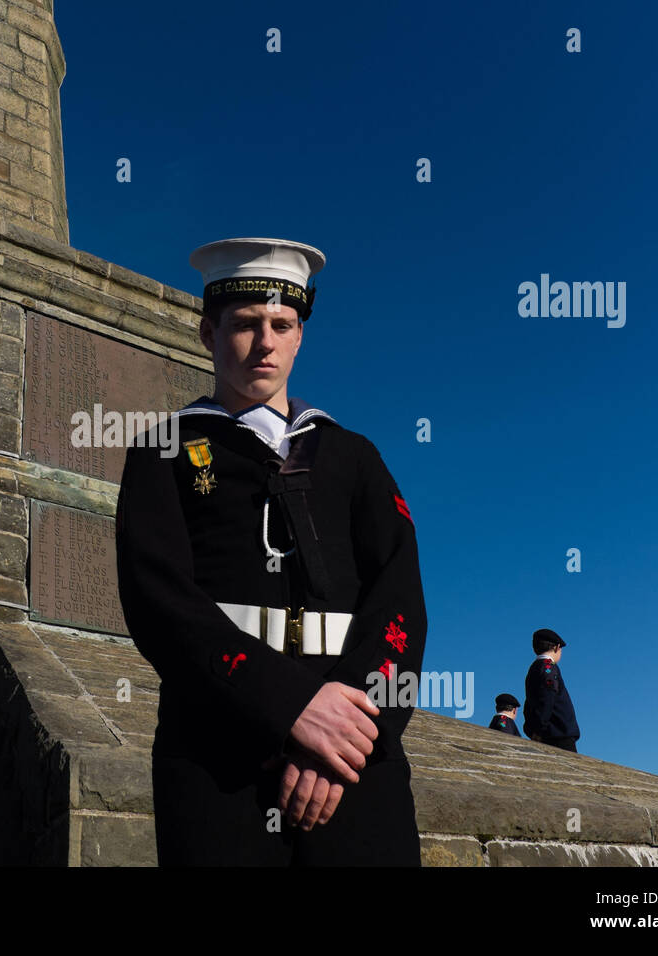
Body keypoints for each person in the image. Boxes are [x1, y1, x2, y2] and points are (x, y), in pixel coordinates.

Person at [114, 237, 429, 866]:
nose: (266, 342)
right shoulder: (163, 453)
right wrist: (291, 709)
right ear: (208, 333)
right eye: (246, 325)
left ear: (300, 336)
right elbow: (160, 602)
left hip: (354, 758)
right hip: (216, 755)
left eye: (283, 325)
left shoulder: (354, 456)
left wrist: (349, 737)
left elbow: (400, 603)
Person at [522, 628, 580, 752]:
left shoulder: (534, 668)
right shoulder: (548, 667)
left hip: (546, 731)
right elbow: (547, 697)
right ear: (556, 648)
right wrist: (539, 729)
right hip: (557, 733)